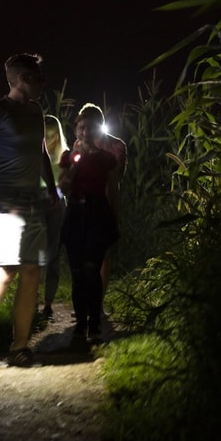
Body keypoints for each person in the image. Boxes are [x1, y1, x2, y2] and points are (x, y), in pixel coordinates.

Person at [0, 53, 59, 367]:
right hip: (5, 203)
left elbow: (42, 152)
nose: (43, 85)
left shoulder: (36, 111)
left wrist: (50, 187)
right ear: (21, 79)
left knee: (32, 271)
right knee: (6, 271)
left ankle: (19, 346)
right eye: (38, 78)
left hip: (33, 203)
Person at [57, 105, 122, 345]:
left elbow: (114, 192)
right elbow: (62, 187)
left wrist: (115, 221)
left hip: (97, 212)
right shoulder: (68, 157)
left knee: (92, 269)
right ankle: (80, 325)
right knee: (77, 272)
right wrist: (74, 165)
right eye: (81, 127)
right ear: (76, 130)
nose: (85, 132)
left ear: (96, 131)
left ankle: (94, 323)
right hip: (75, 212)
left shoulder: (107, 159)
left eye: (90, 127)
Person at [79, 103, 128, 310]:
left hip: (103, 204)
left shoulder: (117, 147)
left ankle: (96, 301)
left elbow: (117, 180)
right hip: (85, 205)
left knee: (103, 255)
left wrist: (114, 214)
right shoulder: (80, 145)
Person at [39, 114, 68, 322]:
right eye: (45, 136)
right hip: (36, 205)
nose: (48, 140)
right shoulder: (34, 154)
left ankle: (48, 303)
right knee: (34, 255)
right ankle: (29, 302)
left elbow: (67, 183)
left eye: (52, 136)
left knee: (52, 254)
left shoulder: (64, 155)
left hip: (56, 206)